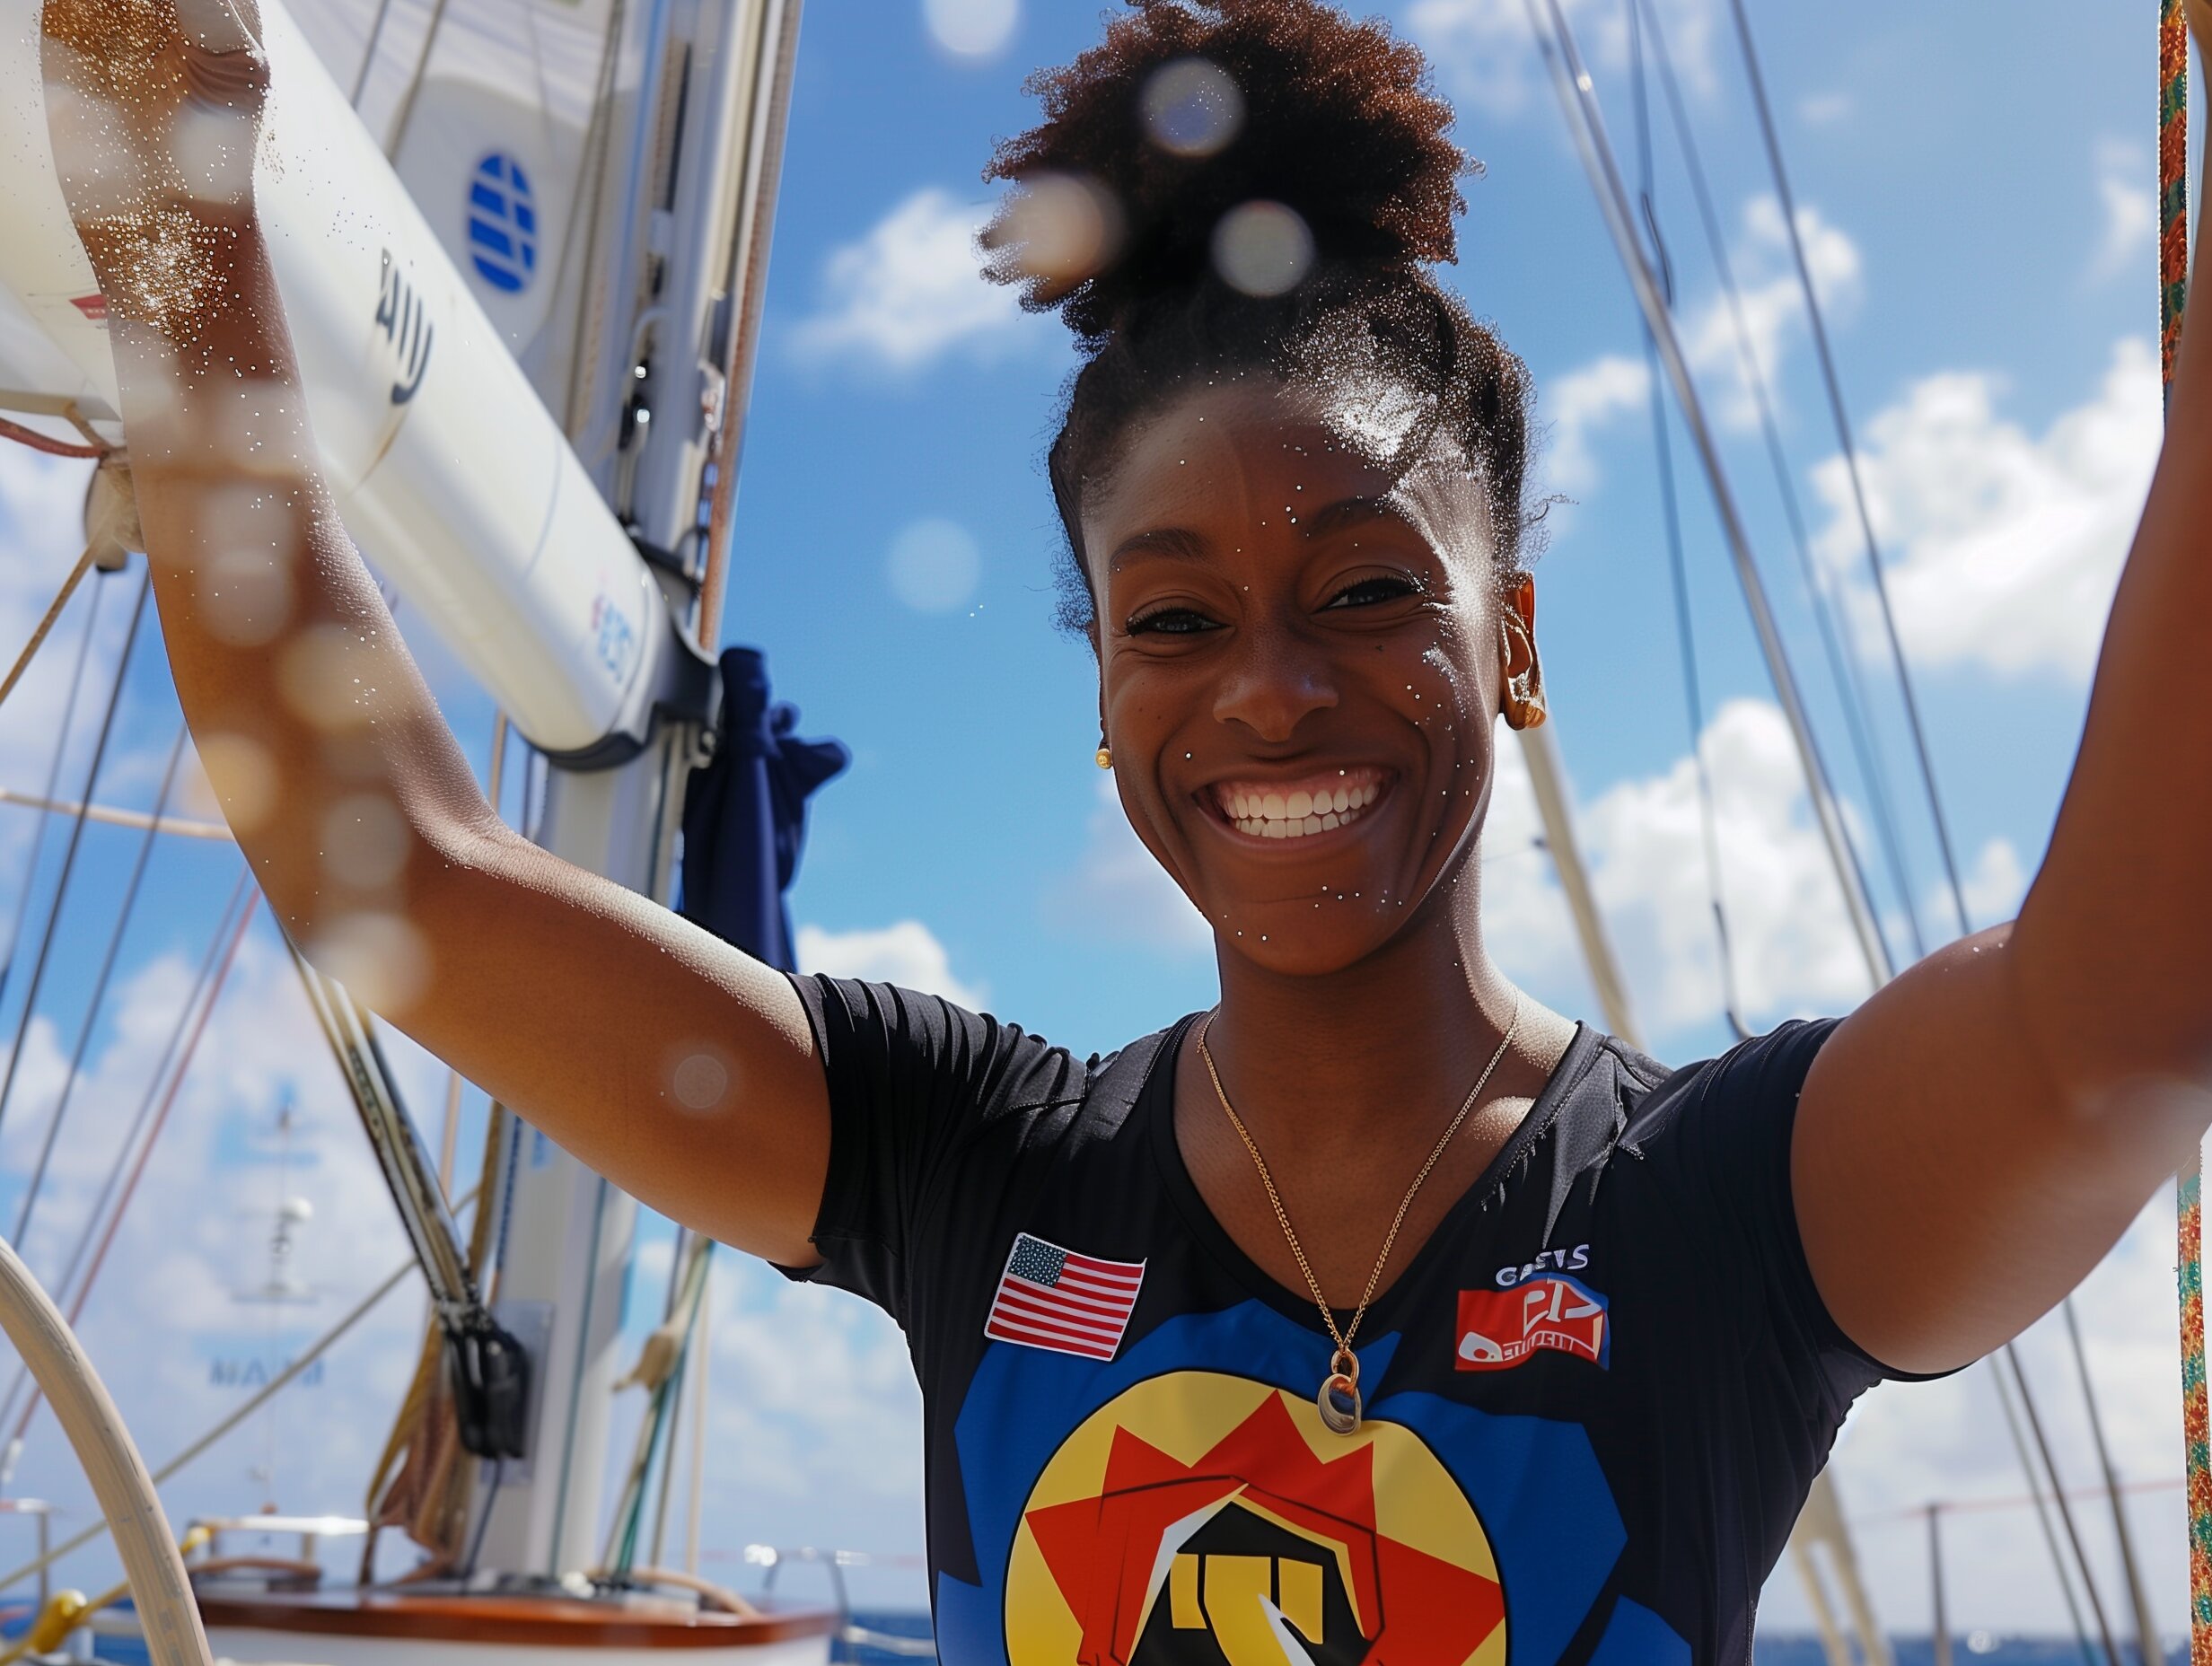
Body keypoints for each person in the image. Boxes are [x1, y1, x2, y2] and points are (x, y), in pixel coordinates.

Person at [45, 0, 2212, 1656]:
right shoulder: (958, 1160)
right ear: (1099, 683)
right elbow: (384, 870)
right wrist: (167, 175)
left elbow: (2110, 1027)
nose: (1268, 685)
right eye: (1173, 616)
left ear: (1513, 641)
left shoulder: (1726, 1214)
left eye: (1369, 588)